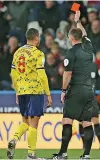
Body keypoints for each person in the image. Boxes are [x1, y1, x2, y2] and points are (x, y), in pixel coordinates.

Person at [51, 11, 95, 160]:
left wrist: (63, 90)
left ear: (70, 38)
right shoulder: (89, 47)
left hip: (75, 90)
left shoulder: (71, 52)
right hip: (89, 90)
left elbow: (67, 74)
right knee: (87, 122)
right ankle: (87, 155)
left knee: (67, 120)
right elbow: (84, 34)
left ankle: (62, 153)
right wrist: (78, 22)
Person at [7, 28, 52, 159]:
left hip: (21, 91)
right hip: (35, 90)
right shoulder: (38, 53)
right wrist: (48, 94)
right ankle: (31, 155)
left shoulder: (17, 52)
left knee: (25, 121)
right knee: (34, 123)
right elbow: (42, 75)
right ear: (36, 38)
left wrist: (16, 90)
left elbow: (13, 73)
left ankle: (14, 140)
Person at [79, 62, 100, 149]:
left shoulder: (94, 66)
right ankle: (84, 144)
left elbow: (98, 79)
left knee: (95, 119)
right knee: (81, 121)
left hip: (92, 97)